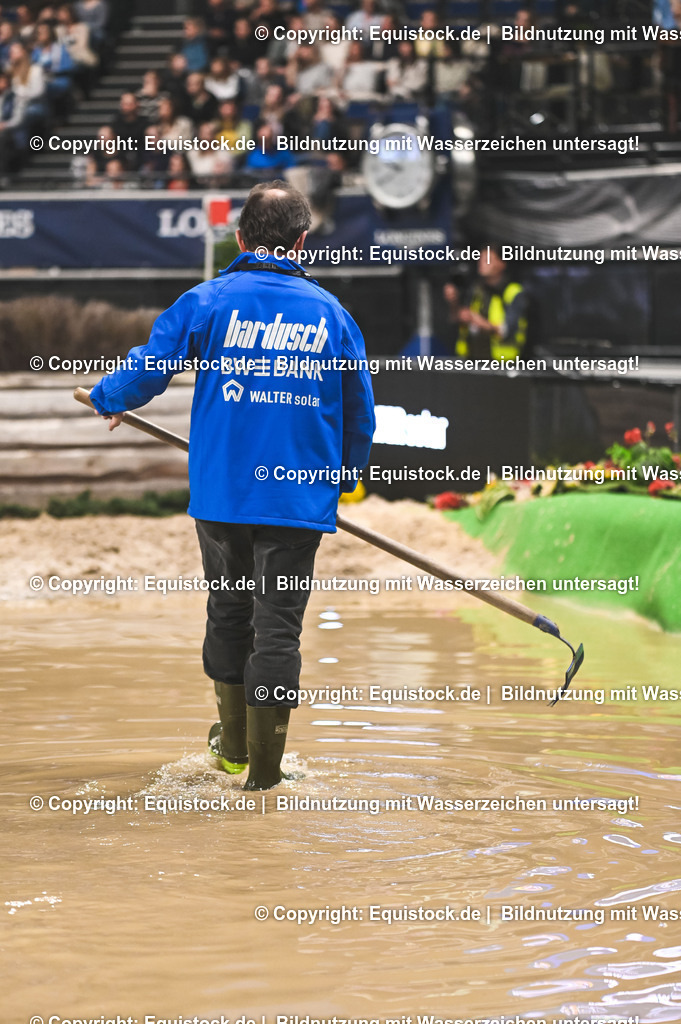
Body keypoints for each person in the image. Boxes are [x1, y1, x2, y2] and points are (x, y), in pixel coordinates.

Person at [88, 180, 376, 790]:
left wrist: (111, 397)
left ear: (240, 239)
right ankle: (265, 780)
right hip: (297, 503)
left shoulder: (208, 300)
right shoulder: (333, 315)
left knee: (229, 612)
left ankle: (233, 755)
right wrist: (343, 480)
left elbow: (151, 364)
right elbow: (359, 412)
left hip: (222, 499)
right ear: (303, 241)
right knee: (278, 628)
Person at [444, 245, 529, 361]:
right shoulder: (475, 289)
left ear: (501, 263)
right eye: (480, 259)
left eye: (487, 259)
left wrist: (479, 321)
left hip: (502, 365)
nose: (481, 263)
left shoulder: (513, 292)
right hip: (472, 362)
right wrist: (454, 303)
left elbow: (507, 331)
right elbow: (455, 319)